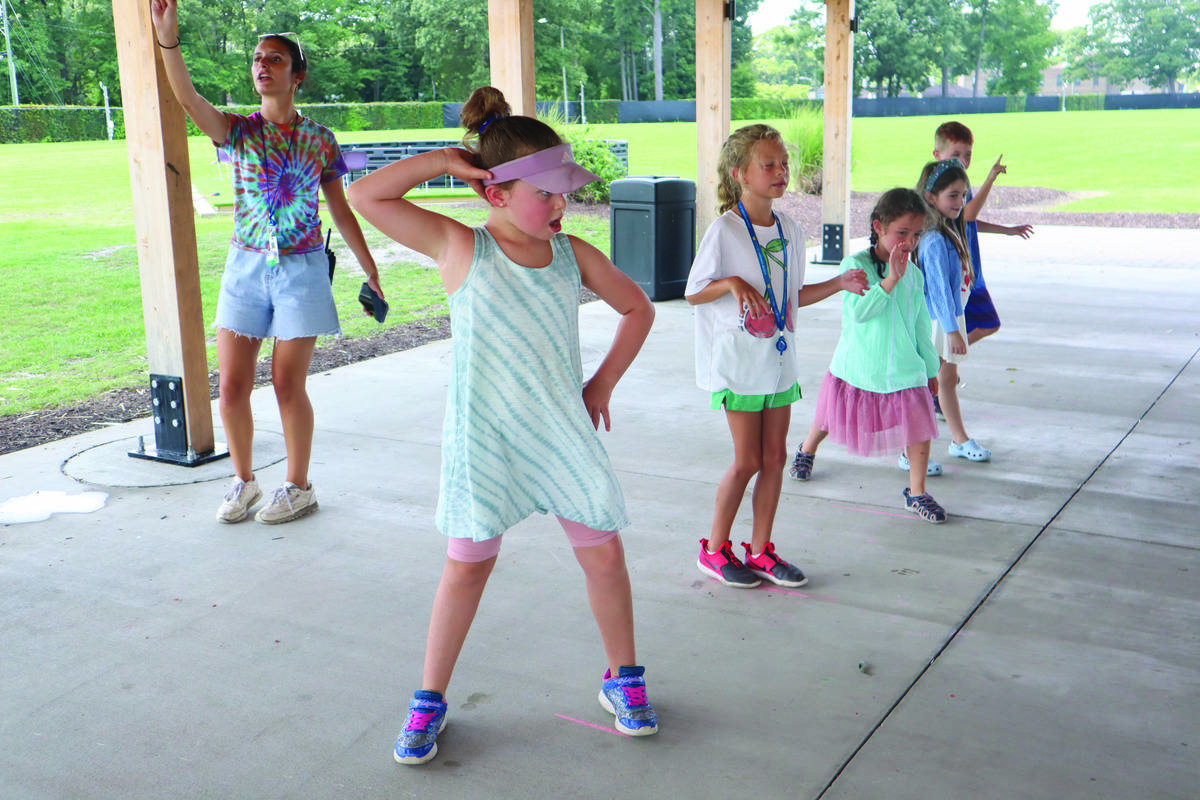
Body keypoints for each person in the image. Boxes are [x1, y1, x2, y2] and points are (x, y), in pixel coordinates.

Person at [347, 86, 658, 765]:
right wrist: (443, 161)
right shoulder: (461, 247)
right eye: (544, 193)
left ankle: (623, 677)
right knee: (466, 569)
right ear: (496, 193)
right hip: (485, 436)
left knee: (604, 553)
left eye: (563, 193)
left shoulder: (573, 255)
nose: (560, 205)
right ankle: (428, 698)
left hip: (558, 430)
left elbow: (638, 310)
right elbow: (365, 198)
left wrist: (601, 382)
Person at [150, 0, 384, 525]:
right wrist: (169, 39)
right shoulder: (238, 131)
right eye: (257, 58)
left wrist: (368, 266)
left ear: (296, 76)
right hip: (246, 268)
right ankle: (244, 482)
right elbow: (187, 98)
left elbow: (339, 208)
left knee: (285, 383)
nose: (262, 65)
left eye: (275, 58)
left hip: (301, 269)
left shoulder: (320, 139)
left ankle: (298, 486)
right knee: (231, 385)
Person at [686, 124, 867, 589]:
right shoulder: (725, 231)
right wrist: (732, 284)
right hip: (739, 364)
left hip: (779, 360)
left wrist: (840, 284)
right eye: (769, 164)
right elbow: (693, 292)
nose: (781, 171)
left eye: (784, 163)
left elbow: (792, 297)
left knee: (774, 457)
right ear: (740, 173)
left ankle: (762, 550)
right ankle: (714, 549)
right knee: (746, 460)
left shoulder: (789, 228)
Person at [789, 189, 947, 523]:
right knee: (830, 417)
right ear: (878, 227)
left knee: (919, 428)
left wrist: (930, 368)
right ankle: (807, 448)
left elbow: (921, 326)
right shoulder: (856, 266)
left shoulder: (914, 276)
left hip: (906, 370)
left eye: (916, 234)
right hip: (859, 366)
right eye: (901, 233)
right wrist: (890, 279)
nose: (909, 242)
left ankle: (916, 492)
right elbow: (859, 313)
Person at [916, 158, 991, 464]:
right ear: (931, 197)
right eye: (953, 195)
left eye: (963, 195)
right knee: (924, 383)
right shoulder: (933, 239)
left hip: (948, 318)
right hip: (937, 321)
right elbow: (938, 292)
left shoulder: (947, 229)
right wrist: (951, 330)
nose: (961, 202)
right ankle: (909, 450)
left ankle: (959, 440)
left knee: (946, 379)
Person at [932, 122, 1033, 347]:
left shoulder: (957, 183)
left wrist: (1007, 231)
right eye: (955, 154)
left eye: (967, 155)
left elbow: (968, 222)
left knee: (982, 323)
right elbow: (968, 215)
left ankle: (946, 359)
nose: (963, 160)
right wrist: (990, 179)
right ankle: (943, 358)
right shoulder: (944, 186)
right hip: (956, 271)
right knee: (984, 323)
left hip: (969, 269)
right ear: (938, 155)